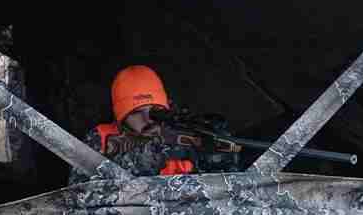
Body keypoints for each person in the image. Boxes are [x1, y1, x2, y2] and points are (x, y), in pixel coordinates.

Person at [69, 65, 240, 183]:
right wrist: (140, 161)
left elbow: (227, 192)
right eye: (135, 113)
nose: (148, 119)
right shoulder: (101, 138)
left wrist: (219, 160)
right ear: (121, 118)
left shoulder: (190, 130)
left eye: (155, 110)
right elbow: (79, 193)